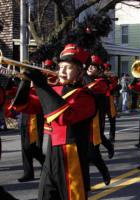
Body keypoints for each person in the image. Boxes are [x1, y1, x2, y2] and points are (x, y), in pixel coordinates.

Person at [11, 43, 96, 200]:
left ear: (80, 72)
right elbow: (25, 106)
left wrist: (41, 85)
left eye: (68, 67)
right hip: (50, 153)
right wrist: (25, 79)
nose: (61, 71)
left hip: (71, 155)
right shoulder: (55, 90)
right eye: (60, 66)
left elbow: (63, 117)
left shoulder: (86, 97)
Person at [83, 54, 113, 185]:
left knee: (93, 154)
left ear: (99, 69)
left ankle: (105, 172)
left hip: (94, 122)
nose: (90, 67)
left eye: (93, 66)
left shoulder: (102, 82)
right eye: (89, 65)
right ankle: (86, 184)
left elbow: (91, 86)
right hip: (81, 120)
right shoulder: (83, 79)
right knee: (82, 156)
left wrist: (81, 72)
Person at [103, 63, 118, 142]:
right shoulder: (100, 77)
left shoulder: (113, 77)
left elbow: (113, 87)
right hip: (102, 98)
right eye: (105, 69)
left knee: (112, 119)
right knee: (101, 120)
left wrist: (110, 78)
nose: (106, 71)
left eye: (107, 69)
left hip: (110, 99)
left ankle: (112, 137)